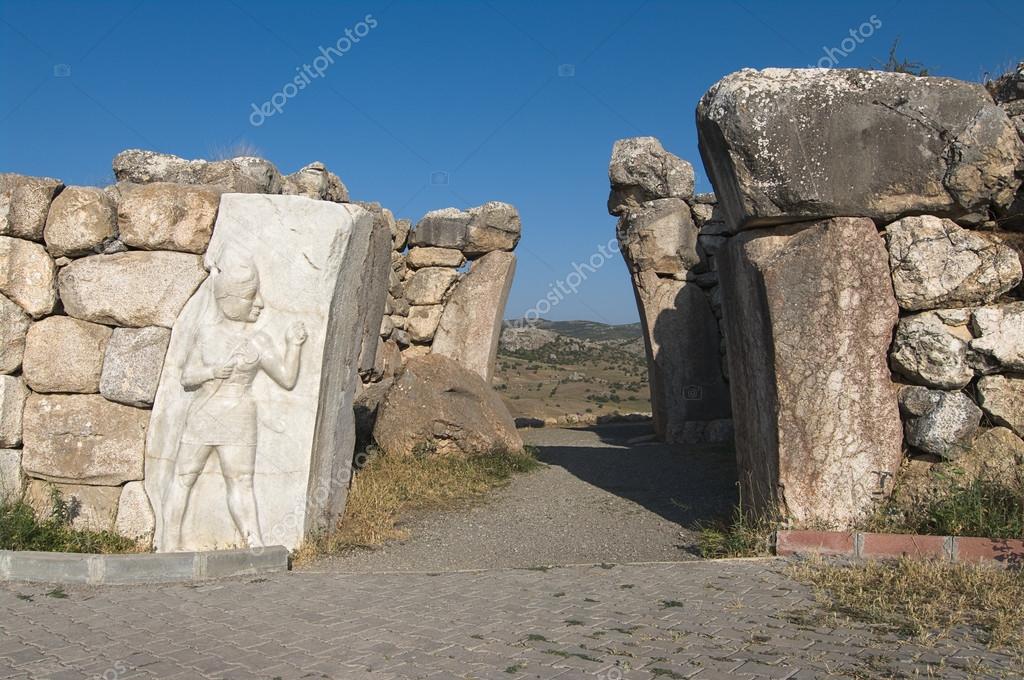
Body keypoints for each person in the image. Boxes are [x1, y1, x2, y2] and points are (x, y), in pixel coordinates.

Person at [161, 255, 306, 551]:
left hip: (239, 415)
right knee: (184, 477)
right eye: (251, 296)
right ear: (230, 299)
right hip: (203, 413)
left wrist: (294, 345)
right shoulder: (206, 333)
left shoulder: (260, 341)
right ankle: (169, 543)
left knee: (241, 482)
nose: (260, 303)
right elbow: (187, 376)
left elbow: (287, 379)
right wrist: (212, 372)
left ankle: (254, 544)